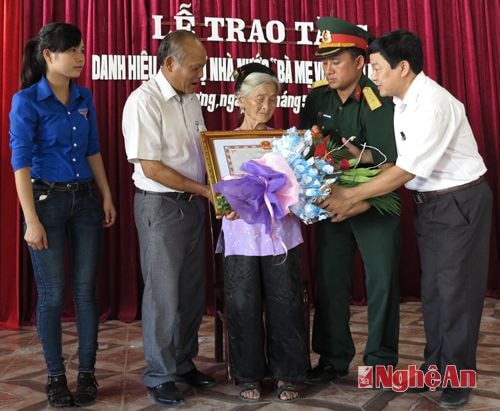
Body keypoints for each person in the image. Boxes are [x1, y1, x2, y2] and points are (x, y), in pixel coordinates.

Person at [324, 30, 493, 408]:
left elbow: (404, 170)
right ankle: (437, 368)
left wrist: (350, 195)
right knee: (434, 293)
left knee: (456, 295)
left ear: (403, 67)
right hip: (433, 203)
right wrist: (361, 163)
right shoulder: (403, 98)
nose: (374, 76)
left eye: (380, 68)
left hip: (458, 203)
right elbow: (402, 162)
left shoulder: (432, 103)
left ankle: (456, 380)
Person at [9, 22, 116, 407]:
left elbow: (92, 149)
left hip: (86, 200)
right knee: (52, 295)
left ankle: (87, 374)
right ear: (48, 55)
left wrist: (106, 195)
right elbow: (19, 161)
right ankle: (56, 378)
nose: (80, 58)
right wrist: (30, 221)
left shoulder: (83, 96)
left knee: (86, 292)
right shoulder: (26, 100)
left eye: (82, 51)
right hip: (45, 202)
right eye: (72, 51)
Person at [298, 17, 401, 383]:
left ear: (359, 62)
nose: (327, 69)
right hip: (332, 203)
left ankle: (380, 362)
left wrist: (360, 200)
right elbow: (305, 150)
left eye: (336, 60)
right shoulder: (317, 97)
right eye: (323, 61)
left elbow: (392, 159)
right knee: (330, 280)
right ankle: (331, 357)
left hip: (375, 202)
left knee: (382, 282)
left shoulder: (377, 99)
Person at [121, 30, 214, 407]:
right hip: (161, 207)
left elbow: (205, 148)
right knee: (163, 295)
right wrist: (206, 191)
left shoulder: (191, 99)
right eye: (195, 67)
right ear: (170, 64)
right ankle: (159, 375)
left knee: (191, 292)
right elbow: (152, 167)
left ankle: (182, 362)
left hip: (193, 205)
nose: (200, 74)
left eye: (203, 67)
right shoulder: (143, 102)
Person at [216, 62, 308, 403]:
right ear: (240, 99)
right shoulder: (221, 144)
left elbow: (299, 189)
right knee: (242, 303)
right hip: (240, 236)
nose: (267, 106)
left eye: (272, 99)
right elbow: (217, 190)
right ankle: (248, 373)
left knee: (285, 302)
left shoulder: (285, 143)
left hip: (281, 234)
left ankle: (289, 373)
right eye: (259, 98)